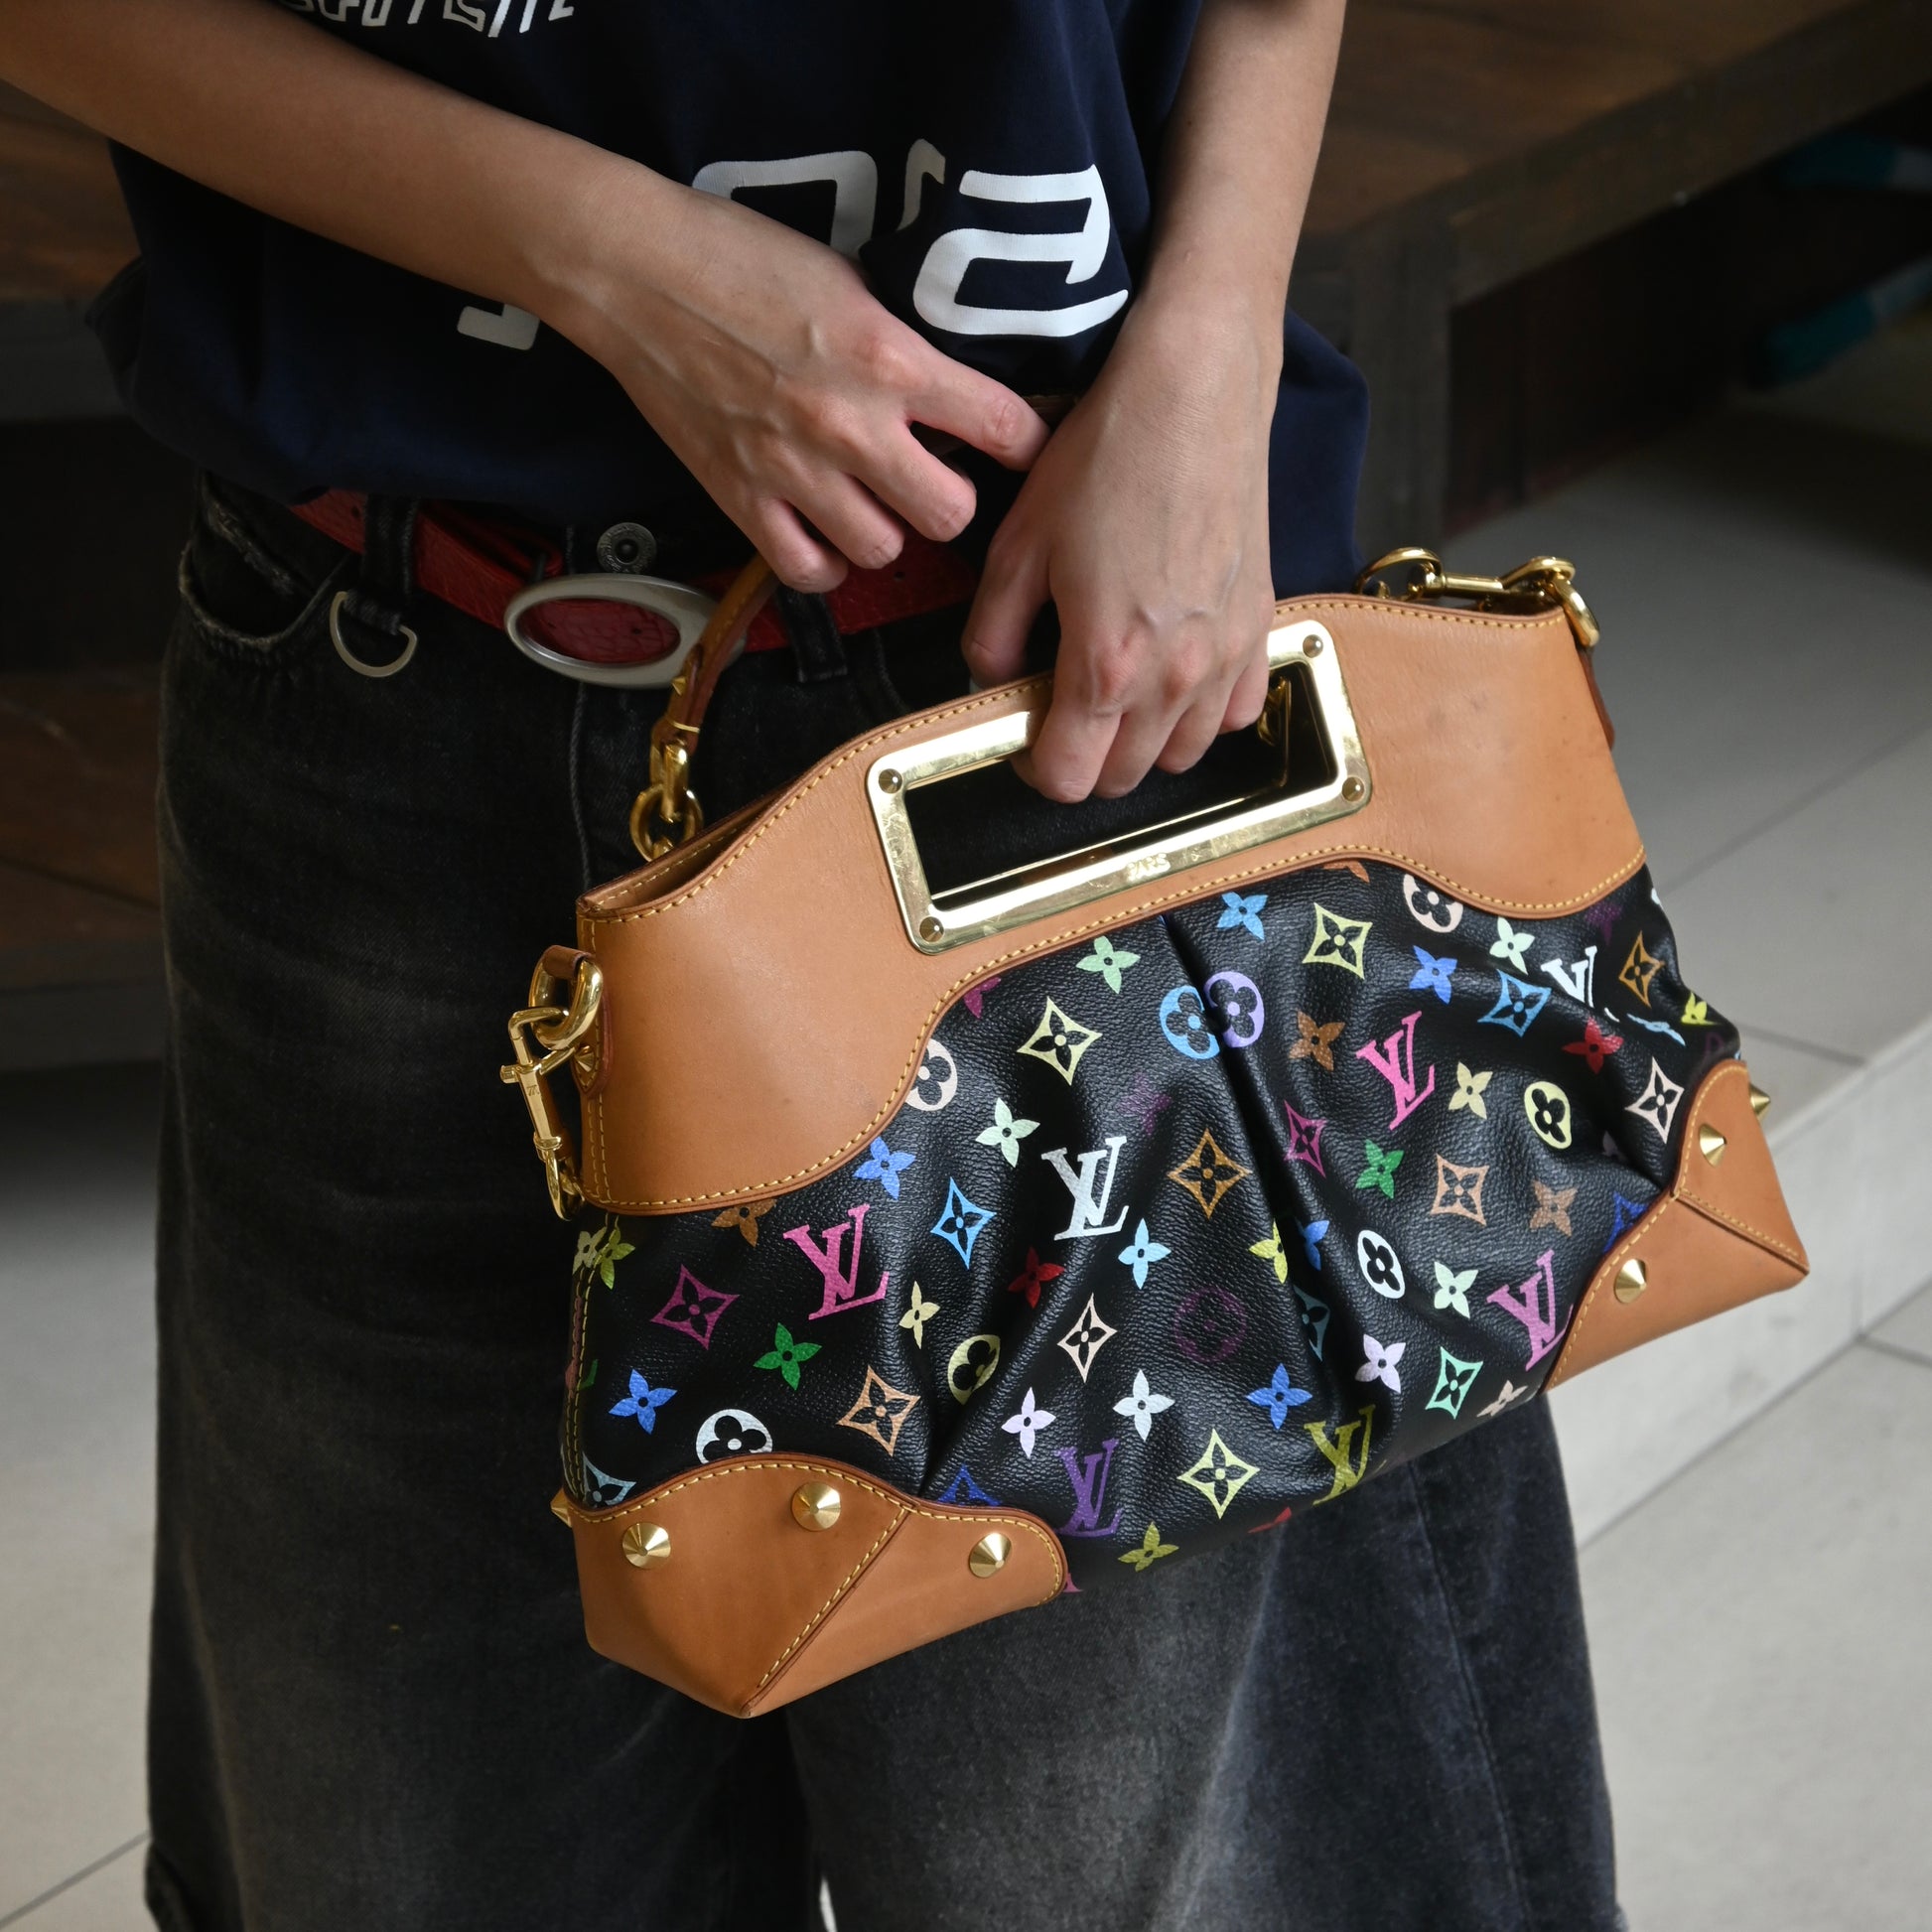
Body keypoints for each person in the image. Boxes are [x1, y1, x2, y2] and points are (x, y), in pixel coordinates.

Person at [0, 4, 1623, 1928]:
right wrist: (612, 261)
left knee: (1112, 1848)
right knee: (411, 1836)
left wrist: (1213, 356)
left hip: (1047, 668)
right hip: (386, 690)